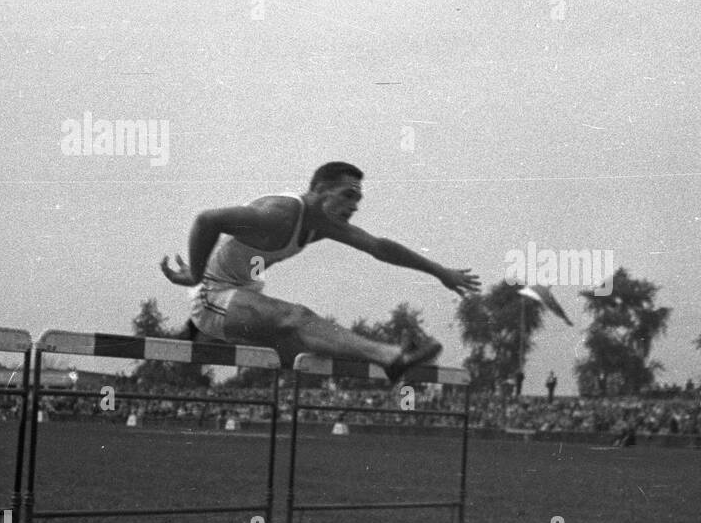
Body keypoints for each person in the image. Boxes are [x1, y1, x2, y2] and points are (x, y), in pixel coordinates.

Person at [161, 162, 480, 380]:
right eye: (348, 195)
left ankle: (388, 358)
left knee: (303, 337)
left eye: (359, 198)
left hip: (242, 294)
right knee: (297, 318)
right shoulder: (280, 214)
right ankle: (392, 357)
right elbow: (207, 220)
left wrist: (441, 272)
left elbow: (379, 247)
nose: (354, 205)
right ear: (319, 189)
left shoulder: (323, 224)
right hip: (211, 296)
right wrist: (195, 274)